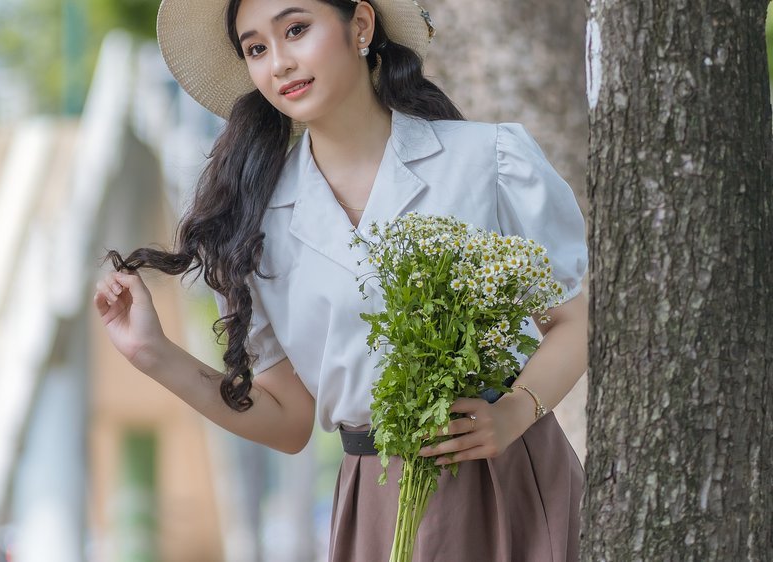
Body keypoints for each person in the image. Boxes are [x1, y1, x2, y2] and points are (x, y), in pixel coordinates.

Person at [93, 0, 589, 560]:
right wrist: (153, 353)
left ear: (360, 25)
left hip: (511, 479)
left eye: (296, 30)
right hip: (375, 504)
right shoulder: (256, 227)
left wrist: (514, 411)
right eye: (256, 48)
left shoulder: (488, 161)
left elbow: (573, 320)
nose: (279, 63)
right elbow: (288, 421)